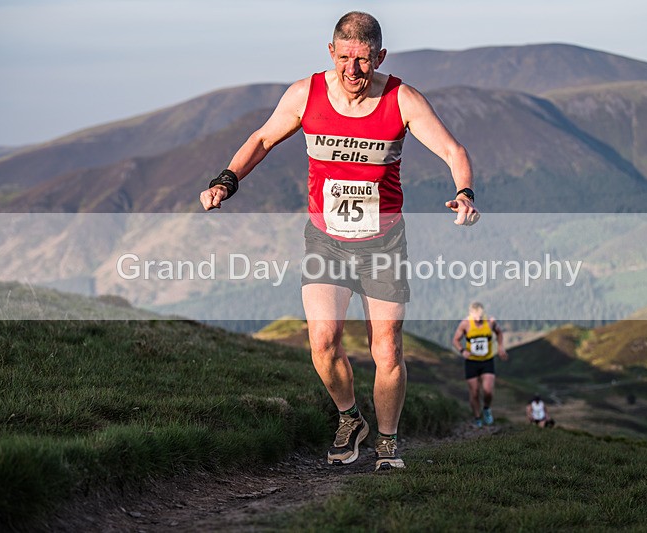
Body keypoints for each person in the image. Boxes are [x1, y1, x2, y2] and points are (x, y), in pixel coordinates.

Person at [199, 12, 479, 471]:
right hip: (325, 241)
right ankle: (351, 419)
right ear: (332, 53)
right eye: (345, 58)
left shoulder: (402, 99)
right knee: (323, 342)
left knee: (386, 346)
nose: (353, 70)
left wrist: (464, 193)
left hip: (383, 243)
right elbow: (263, 139)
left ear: (380, 57)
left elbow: (453, 151)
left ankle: (387, 441)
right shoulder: (305, 94)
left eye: (364, 60)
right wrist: (226, 180)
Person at [452, 302, 508, 427]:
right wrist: (462, 351)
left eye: (480, 316)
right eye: (476, 317)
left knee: (488, 390)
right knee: (475, 392)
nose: (478, 319)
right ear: (470, 314)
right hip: (471, 361)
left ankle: (487, 409)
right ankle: (477, 417)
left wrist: (500, 348)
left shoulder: (490, 322)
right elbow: (455, 340)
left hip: (487, 360)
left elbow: (499, 333)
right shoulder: (465, 324)